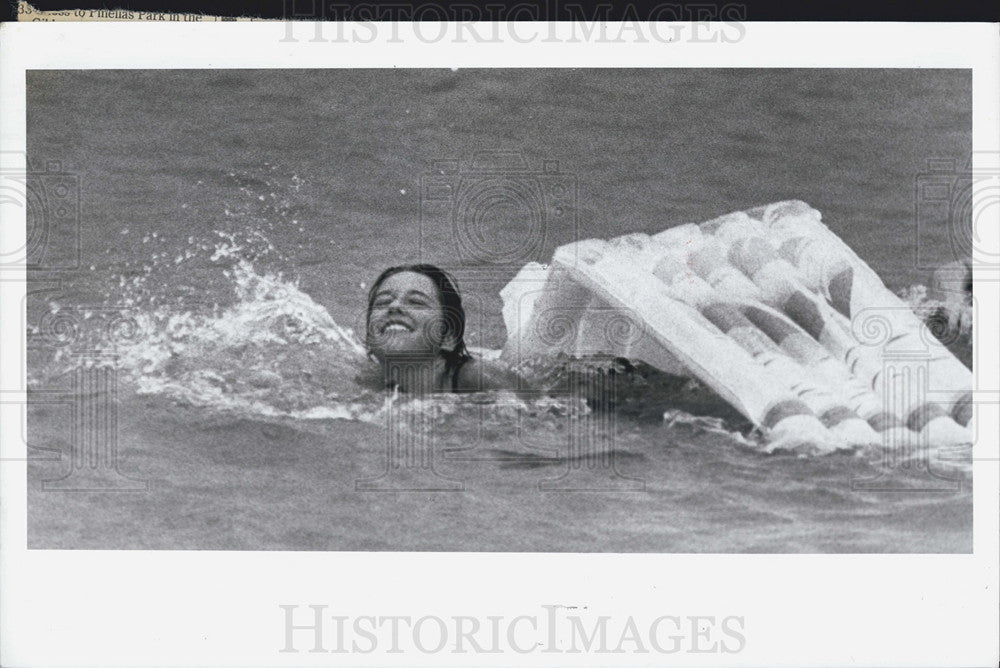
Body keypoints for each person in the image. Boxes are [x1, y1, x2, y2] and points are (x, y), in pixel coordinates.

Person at [364, 264, 517, 393]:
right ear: (370, 337)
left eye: (416, 302)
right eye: (383, 302)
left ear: (447, 336)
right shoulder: (367, 380)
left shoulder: (481, 378)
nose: (394, 306)